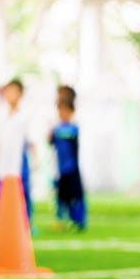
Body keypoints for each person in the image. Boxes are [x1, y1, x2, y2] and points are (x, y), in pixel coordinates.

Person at [0, 79, 34, 232]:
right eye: (8, 91)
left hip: (20, 159)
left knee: (22, 191)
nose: (10, 95)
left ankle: (25, 222)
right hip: (3, 160)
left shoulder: (25, 115)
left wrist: (35, 157)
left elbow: (31, 139)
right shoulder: (0, 114)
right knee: (1, 191)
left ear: (21, 94)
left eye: (14, 91)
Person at [49, 97, 86, 230]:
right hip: (60, 169)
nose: (62, 113)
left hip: (72, 168)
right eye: (60, 110)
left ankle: (78, 220)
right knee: (60, 197)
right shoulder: (56, 128)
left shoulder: (72, 128)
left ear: (71, 112)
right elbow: (50, 141)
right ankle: (61, 220)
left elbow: (65, 134)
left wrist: (54, 131)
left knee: (75, 196)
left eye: (65, 110)